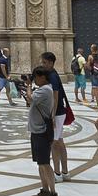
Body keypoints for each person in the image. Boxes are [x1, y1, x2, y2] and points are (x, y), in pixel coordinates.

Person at [27, 67, 59, 196]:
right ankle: (45, 190)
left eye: (35, 77)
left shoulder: (45, 90)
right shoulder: (44, 89)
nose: (34, 79)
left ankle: (53, 193)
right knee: (41, 163)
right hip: (37, 130)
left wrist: (28, 86)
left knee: (45, 163)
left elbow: (30, 98)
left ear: (42, 77)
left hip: (42, 132)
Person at [39, 53, 71, 183]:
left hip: (57, 113)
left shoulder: (52, 76)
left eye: (45, 63)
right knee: (60, 142)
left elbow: (55, 96)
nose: (43, 64)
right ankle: (65, 172)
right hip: (60, 112)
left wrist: (52, 115)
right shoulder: (53, 73)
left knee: (54, 143)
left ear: (51, 63)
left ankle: (57, 173)